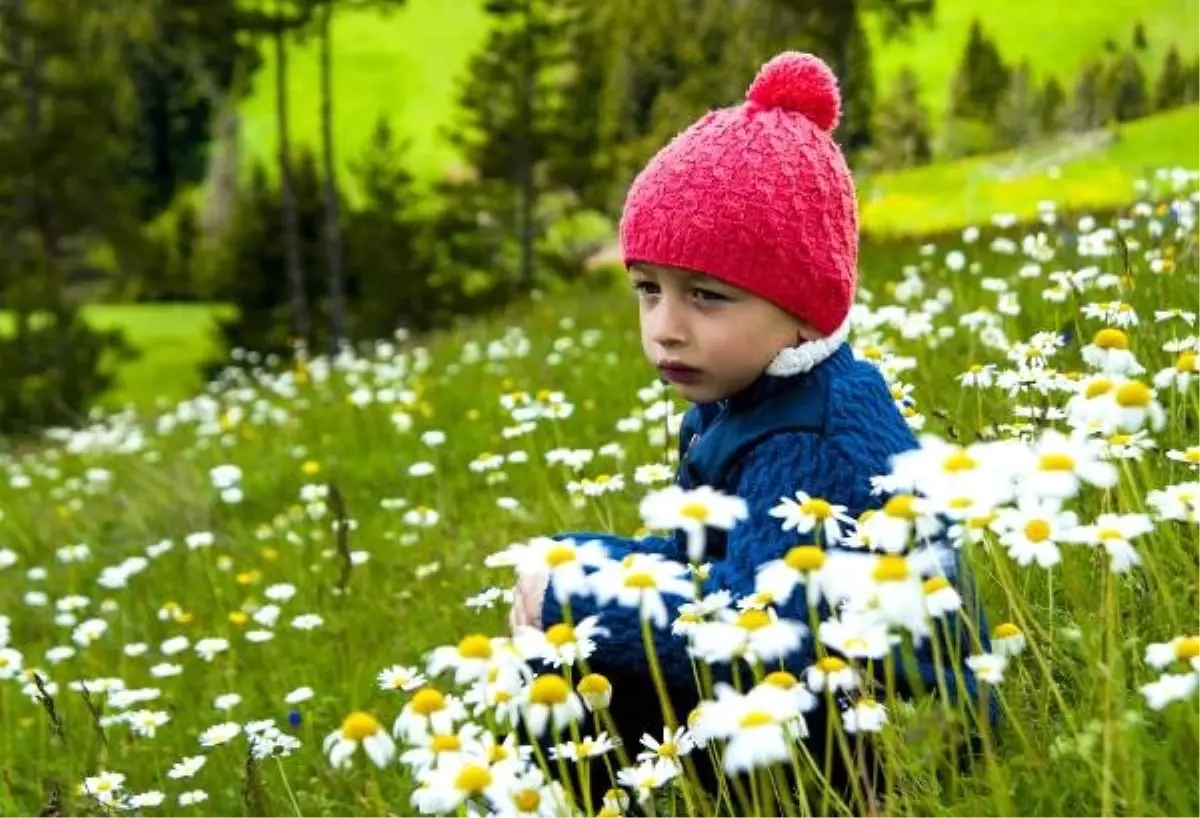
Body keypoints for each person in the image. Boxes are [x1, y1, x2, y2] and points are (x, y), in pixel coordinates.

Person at [508, 50, 991, 810]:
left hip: (893, 749)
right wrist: (588, 565)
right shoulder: (757, 398)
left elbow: (753, 632)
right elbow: (711, 565)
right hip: (814, 696)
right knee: (570, 657)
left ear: (804, 307)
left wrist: (576, 601)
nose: (665, 329)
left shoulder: (805, 444)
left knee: (573, 663)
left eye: (704, 295)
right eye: (647, 290)